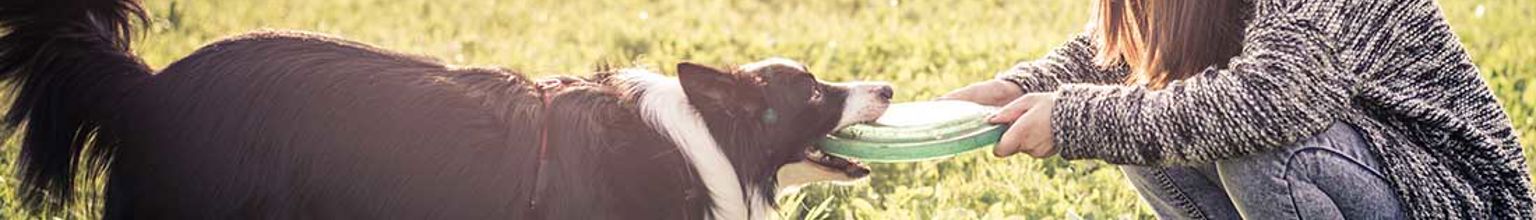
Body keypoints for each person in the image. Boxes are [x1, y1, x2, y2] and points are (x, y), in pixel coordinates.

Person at [940, 0, 1532, 219]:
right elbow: (1122, 57)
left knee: (1256, 151)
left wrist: (1075, 120)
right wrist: (1015, 89)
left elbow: (1273, 100)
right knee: (1140, 122)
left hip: (1452, 194)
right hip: (1365, 175)